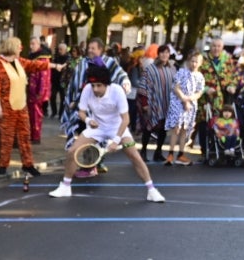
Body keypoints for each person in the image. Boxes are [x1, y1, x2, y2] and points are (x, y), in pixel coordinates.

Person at [50, 63, 164, 202]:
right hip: (96, 128)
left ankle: (151, 190)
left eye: (99, 85)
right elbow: (81, 112)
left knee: (134, 156)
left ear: (106, 84)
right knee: (72, 151)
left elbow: (126, 119)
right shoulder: (87, 89)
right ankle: (65, 186)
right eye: (93, 85)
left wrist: (116, 141)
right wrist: (88, 121)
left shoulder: (117, 91)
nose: (95, 89)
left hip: (118, 127)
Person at [0, 36, 58, 176]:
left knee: (25, 136)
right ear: (13, 47)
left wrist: (55, 66)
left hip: (21, 106)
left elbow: (35, 65)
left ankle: (28, 164)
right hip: (6, 106)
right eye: (19, 46)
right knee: (6, 138)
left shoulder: (19, 61)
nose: (21, 48)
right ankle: (3, 166)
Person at [196, 36, 238, 157]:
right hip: (206, 98)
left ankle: (219, 147)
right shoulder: (202, 59)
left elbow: (233, 77)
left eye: (219, 46)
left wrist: (231, 86)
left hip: (222, 99)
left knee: (220, 123)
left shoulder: (228, 59)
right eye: (214, 46)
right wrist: (204, 89)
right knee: (204, 124)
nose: (216, 48)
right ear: (210, 46)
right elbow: (195, 77)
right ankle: (204, 150)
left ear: (222, 47)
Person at [164, 51, 204, 166]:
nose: (194, 64)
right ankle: (170, 154)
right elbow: (176, 87)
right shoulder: (182, 72)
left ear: (200, 63)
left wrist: (190, 99)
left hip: (190, 104)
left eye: (196, 62)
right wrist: (184, 99)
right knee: (176, 128)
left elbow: (199, 92)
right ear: (188, 61)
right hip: (178, 102)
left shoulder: (200, 76)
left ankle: (181, 154)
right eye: (192, 61)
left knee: (185, 130)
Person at [137, 43, 175, 162]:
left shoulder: (172, 69)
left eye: (167, 52)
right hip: (152, 103)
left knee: (163, 129)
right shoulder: (150, 69)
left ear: (169, 54)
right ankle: (143, 151)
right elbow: (143, 86)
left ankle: (158, 152)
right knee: (148, 127)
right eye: (162, 52)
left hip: (166, 104)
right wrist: (145, 104)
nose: (164, 55)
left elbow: (175, 86)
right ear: (158, 54)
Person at [26, 35, 52, 143]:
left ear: (38, 44)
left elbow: (44, 76)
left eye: (33, 44)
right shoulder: (33, 56)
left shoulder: (42, 57)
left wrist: (40, 92)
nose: (31, 46)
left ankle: (36, 136)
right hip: (31, 88)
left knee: (36, 114)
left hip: (37, 90)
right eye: (30, 44)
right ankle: (31, 135)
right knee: (31, 114)